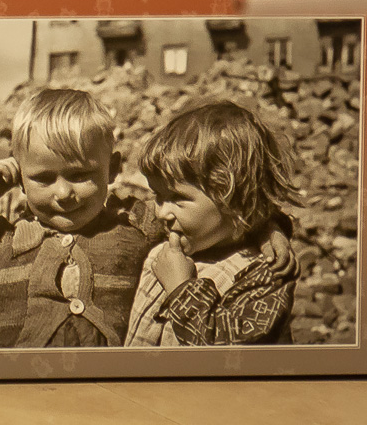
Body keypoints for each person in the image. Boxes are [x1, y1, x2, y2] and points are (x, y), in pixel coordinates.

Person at [0, 88, 154, 348]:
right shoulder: (2, 244)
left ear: (112, 168)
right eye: (43, 178)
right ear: (20, 177)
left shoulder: (133, 226)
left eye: (79, 175)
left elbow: (181, 217)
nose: (63, 193)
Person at [125, 99, 302, 347]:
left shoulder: (264, 277)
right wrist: (271, 228)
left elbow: (230, 355)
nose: (161, 212)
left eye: (177, 198)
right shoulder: (173, 231)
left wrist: (182, 291)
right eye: (158, 195)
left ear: (234, 201)